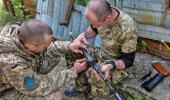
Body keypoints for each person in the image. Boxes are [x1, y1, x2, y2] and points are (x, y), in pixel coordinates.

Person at [65, 0, 138, 99]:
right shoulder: (101, 12)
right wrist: (83, 36)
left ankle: (99, 96)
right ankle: (82, 88)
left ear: (108, 18)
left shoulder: (128, 27)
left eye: (96, 24)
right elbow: (93, 29)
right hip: (101, 52)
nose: (94, 26)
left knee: (98, 74)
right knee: (74, 51)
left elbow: (128, 61)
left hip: (115, 61)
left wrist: (110, 66)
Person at [0, 19, 87, 99]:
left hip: (24, 72)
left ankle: (82, 87)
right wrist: (72, 71)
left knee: (69, 50)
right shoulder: (11, 61)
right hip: (8, 90)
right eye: (45, 46)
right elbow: (39, 86)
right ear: (31, 47)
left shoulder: (24, 36)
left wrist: (69, 45)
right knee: (52, 96)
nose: (48, 47)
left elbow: (51, 47)